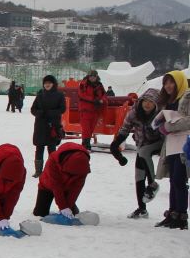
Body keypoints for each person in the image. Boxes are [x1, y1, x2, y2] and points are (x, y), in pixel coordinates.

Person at [110, 88, 163, 219]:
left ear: (156, 104)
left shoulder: (160, 114)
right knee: (139, 174)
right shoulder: (134, 112)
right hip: (142, 143)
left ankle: (152, 184)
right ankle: (142, 208)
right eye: (145, 101)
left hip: (160, 142)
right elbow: (125, 129)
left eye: (151, 102)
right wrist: (116, 144)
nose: (147, 104)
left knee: (144, 151)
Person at [151, 70, 190, 229]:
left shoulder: (187, 97)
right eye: (165, 83)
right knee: (173, 179)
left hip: (184, 142)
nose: (168, 86)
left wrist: (169, 126)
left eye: (171, 82)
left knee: (179, 179)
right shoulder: (168, 101)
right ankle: (173, 213)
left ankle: (181, 216)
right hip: (172, 143)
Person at [32, 143, 90, 219]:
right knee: (40, 213)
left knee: (72, 213)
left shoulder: (83, 166)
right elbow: (56, 185)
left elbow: (76, 188)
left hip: (67, 188)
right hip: (47, 185)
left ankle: (71, 206)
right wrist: (63, 207)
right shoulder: (53, 160)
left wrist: (68, 206)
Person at [29, 75, 67, 178]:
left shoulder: (59, 95)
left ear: (53, 84)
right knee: (39, 148)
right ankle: (38, 171)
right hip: (40, 125)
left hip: (53, 125)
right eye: (45, 83)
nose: (47, 85)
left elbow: (62, 109)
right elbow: (33, 109)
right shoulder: (40, 95)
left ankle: (52, 170)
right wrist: (41, 113)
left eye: (49, 83)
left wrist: (50, 113)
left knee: (52, 149)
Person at [77, 71, 105, 150]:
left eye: (94, 76)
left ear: (97, 77)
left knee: (91, 128)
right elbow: (82, 95)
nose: (93, 77)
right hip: (85, 109)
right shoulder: (83, 84)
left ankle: (85, 145)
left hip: (95, 110)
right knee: (86, 129)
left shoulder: (100, 86)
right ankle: (86, 145)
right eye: (91, 76)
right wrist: (93, 100)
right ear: (88, 77)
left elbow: (104, 95)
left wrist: (102, 100)